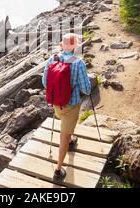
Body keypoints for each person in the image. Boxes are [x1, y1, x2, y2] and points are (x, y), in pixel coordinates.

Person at [42, 33, 91, 182]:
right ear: (75, 47)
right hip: (71, 105)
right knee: (64, 136)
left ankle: (70, 141)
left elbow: (45, 82)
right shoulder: (78, 63)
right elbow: (86, 90)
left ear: (62, 45)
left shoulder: (52, 59)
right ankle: (58, 171)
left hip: (56, 104)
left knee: (65, 125)